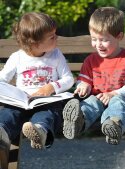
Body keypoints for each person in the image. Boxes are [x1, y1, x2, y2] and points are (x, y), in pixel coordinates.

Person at [0, 11, 74, 165]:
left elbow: (68, 79)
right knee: (8, 113)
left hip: (46, 102)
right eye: (52, 37)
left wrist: (52, 87)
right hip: (21, 103)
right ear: (34, 43)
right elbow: (2, 79)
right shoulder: (17, 57)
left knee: (47, 113)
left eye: (55, 34)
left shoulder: (56, 55)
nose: (56, 38)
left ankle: (39, 132)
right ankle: (2, 133)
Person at [62, 7, 125, 145]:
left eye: (103, 40)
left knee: (119, 104)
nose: (98, 45)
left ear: (119, 37)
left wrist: (113, 94)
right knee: (90, 103)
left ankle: (113, 125)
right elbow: (82, 81)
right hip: (98, 98)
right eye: (94, 39)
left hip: (122, 99)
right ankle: (78, 121)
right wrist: (83, 86)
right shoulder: (91, 60)